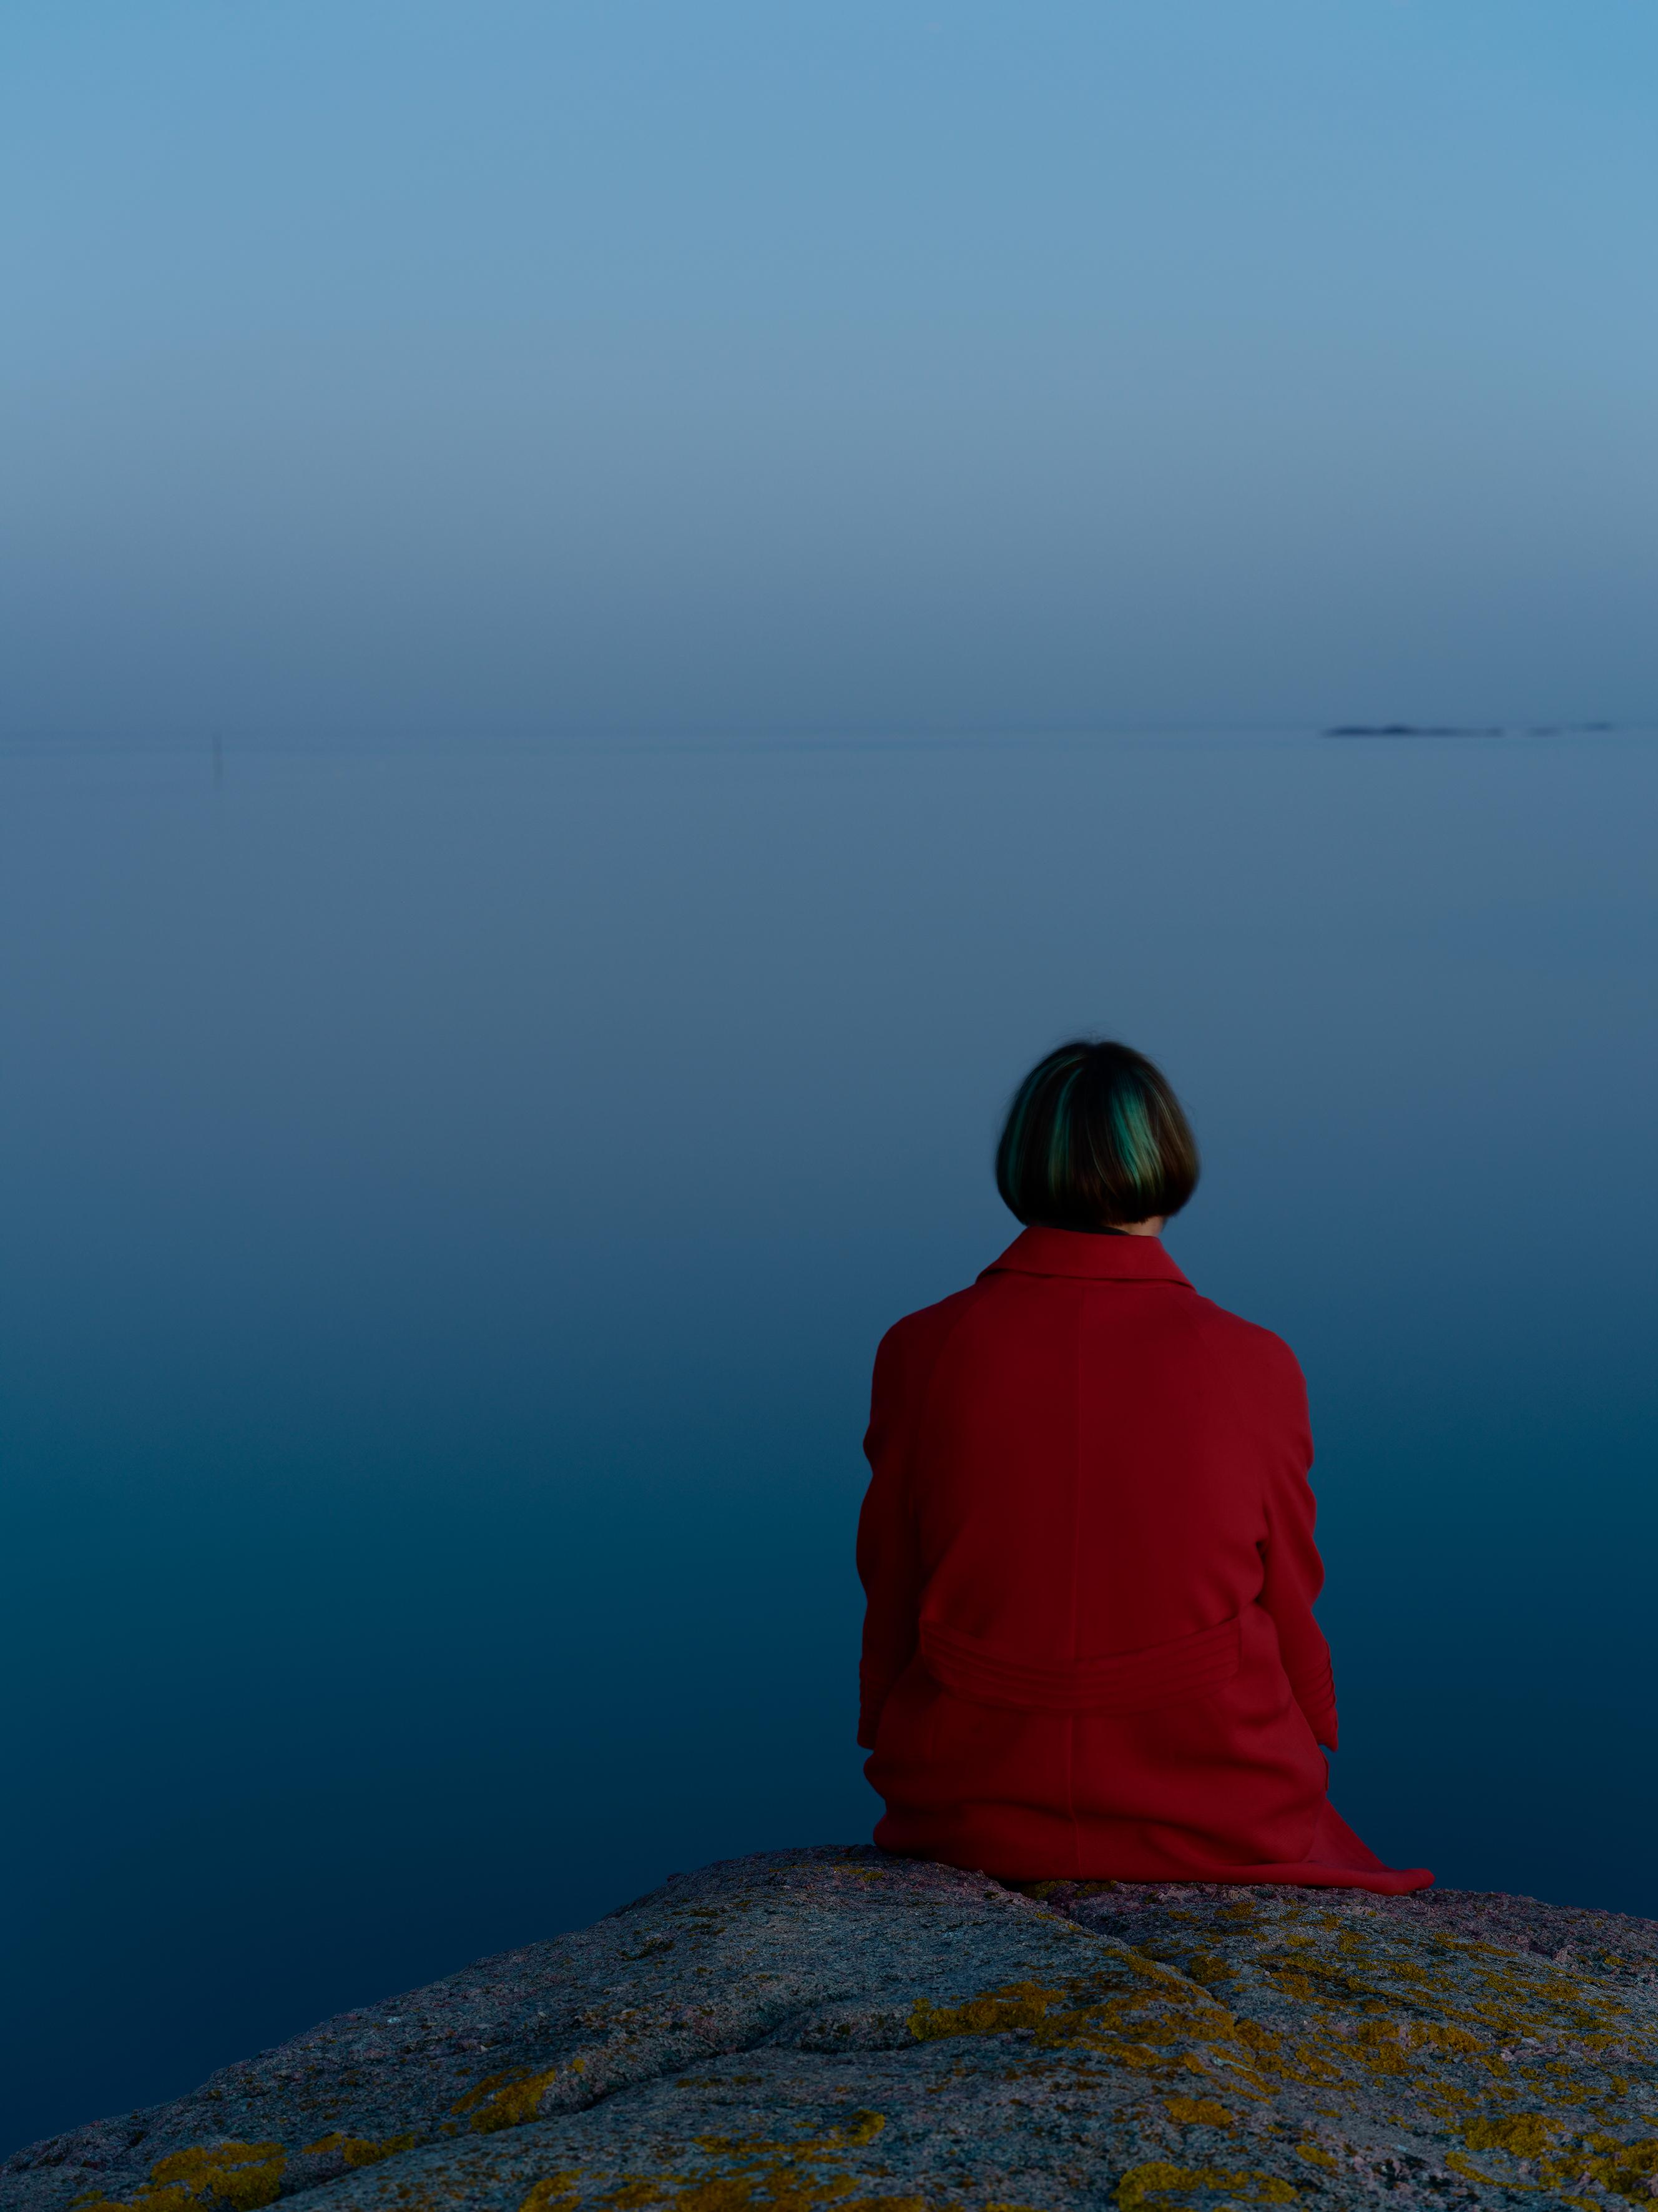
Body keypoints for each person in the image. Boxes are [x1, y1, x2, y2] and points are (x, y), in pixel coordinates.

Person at [856, 1039, 1430, 1892]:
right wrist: (1316, 1717)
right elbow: (1290, 1590)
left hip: (969, 1797)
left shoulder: (920, 1348)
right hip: (1217, 1797)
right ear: (1166, 1156)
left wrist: (883, 1719)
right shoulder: (1255, 1361)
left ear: (1022, 1161)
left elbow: (894, 1581)